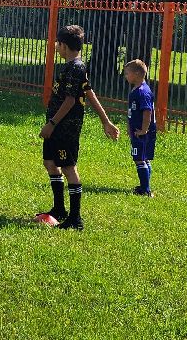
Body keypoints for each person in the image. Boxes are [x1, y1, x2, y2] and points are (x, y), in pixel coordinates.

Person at [36, 24, 120, 230]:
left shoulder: (75, 67)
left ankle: (75, 219)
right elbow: (89, 93)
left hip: (66, 128)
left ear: (63, 46)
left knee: (68, 168)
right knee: (49, 162)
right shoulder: (74, 67)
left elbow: (70, 101)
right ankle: (59, 209)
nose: (56, 46)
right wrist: (106, 121)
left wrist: (51, 124)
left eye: (58, 44)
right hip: (56, 127)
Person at [124, 59, 156, 196]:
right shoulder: (137, 89)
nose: (125, 76)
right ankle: (145, 186)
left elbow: (147, 111)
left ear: (137, 73)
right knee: (144, 157)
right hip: (137, 130)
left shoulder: (142, 92)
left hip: (141, 132)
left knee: (139, 158)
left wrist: (143, 129)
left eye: (127, 73)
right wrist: (129, 125)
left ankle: (145, 189)